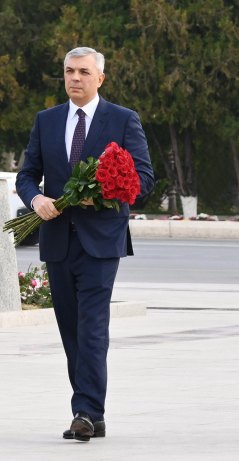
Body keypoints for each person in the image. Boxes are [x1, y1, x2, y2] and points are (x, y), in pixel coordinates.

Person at [16, 47, 154, 442]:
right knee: (71, 330)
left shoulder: (123, 120)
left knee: (92, 327)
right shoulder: (46, 120)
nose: (75, 78)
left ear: (100, 78)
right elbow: (26, 175)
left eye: (83, 72)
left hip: (101, 242)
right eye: (69, 71)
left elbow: (144, 180)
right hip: (57, 241)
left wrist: (106, 194)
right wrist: (36, 199)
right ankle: (93, 412)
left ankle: (86, 411)